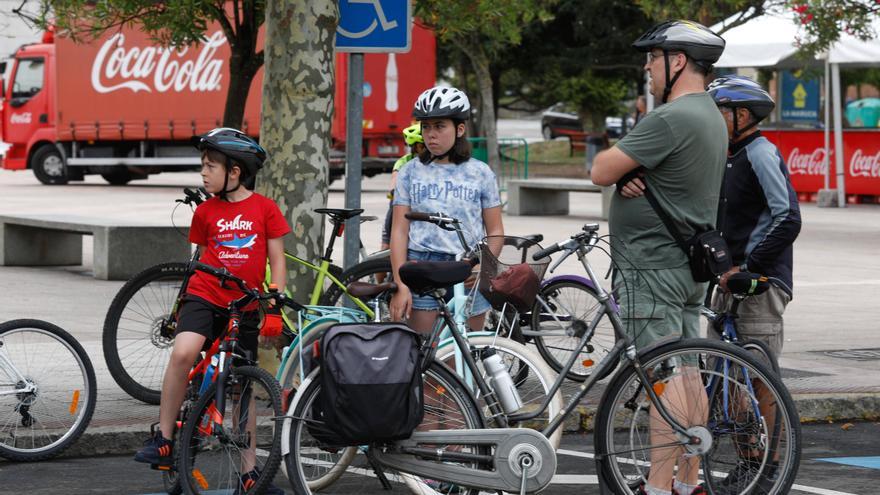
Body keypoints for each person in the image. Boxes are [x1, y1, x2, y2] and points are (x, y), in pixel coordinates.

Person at [591, 20, 727, 495]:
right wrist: (635, 174)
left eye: (653, 57)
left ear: (678, 62)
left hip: (652, 268)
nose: (647, 66)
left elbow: (600, 168)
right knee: (688, 373)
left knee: (661, 383)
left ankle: (656, 485)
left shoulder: (672, 117)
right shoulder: (710, 113)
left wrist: (623, 170)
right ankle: (687, 484)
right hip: (685, 269)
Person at [134, 128, 290, 495]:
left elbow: (277, 260)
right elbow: (202, 257)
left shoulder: (266, 208)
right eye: (203, 166)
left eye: (210, 166)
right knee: (184, 353)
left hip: (245, 304)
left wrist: (275, 298)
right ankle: (166, 437)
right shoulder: (205, 211)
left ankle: (249, 473)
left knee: (243, 389)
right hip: (205, 295)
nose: (203, 173)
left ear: (234, 171)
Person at [706, 74, 801, 492]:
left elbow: (788, 217)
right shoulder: (724, 155)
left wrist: (751, 266)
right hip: (730, 281)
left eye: (719, 111)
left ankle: (769, 466)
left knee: (760, 375)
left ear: (741, 115)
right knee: (725, 375)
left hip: (761, 283)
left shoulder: (760, 152)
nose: (712, 118)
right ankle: (749, 458)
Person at [389, 86, 503, 334]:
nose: (431, 135)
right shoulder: (410, 172)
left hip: (468, 269)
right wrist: (401, 285)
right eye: (426, 127)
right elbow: (399, 231)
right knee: (430, 361)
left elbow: (495, 230)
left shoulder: (480, 172)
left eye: (439, 126)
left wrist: (482, 267)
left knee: (464, 358)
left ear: (459, 129)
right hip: (422, 267)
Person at [381, 123, 427, 252]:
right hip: (401, 207)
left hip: (423, 209)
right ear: (414, 147)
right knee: (387, 247)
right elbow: (395, 177)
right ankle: (378, 271)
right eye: (420, 146)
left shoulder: (435, 163)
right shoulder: (404, 161)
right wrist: (393, 189)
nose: (424, 149)